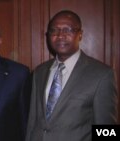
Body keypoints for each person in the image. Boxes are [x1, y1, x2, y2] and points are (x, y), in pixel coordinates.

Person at [25, 10, 118, 141]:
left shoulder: (102, 74)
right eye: (54, 30)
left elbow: (107, 130)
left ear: (80, 34)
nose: (60, 35)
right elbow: (32, 121)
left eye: (68, 30)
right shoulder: (40, 72)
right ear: (48, 35)